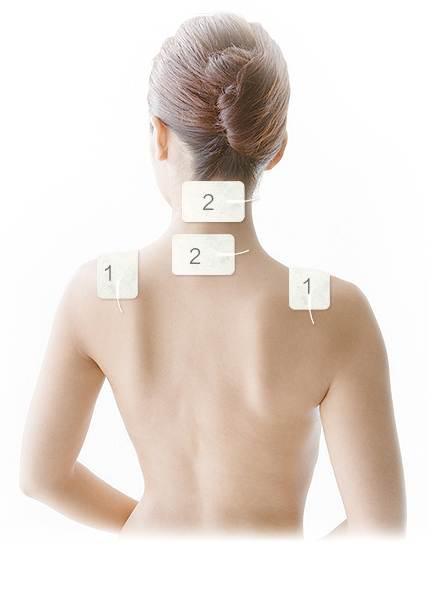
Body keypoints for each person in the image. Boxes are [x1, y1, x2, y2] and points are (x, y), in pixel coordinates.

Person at [19, 13, 406, 536]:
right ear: (277, 148)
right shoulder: (339, 315)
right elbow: (378, 526)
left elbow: (42, 477)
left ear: (160, 136)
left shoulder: (94, 295)